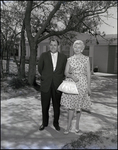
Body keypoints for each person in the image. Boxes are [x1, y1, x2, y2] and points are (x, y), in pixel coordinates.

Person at [61, 40, 92, 134]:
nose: (77, 49)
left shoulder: (86, 59)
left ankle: (77, 126)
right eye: (75, 47)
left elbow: (88, 74)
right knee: (70, 107)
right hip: (72, 84)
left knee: (79, 107)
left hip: (82, 84)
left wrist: (89, 87)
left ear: (82, 49)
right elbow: (66, 72)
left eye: (79, 47)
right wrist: (72, 76)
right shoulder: (69, 59)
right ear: (73, 48)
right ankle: (68, 127)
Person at [38, 39, 67, 131]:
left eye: (55, 45)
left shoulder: (63, 57)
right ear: (49, 45)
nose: (53, 47)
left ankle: (56, 123)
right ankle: (44, 123)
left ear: (58, 46)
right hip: (46, 85)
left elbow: (64, 71)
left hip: (57, 85)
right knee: (44, 106)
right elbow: (40, 69)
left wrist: (60, 79)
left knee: (56, 106)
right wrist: (46, 77)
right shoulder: (43, 55)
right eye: (51, 45)